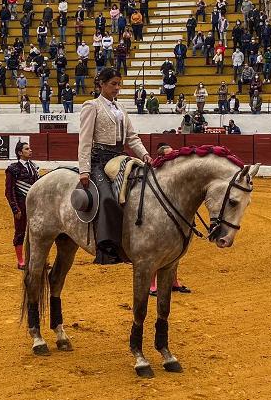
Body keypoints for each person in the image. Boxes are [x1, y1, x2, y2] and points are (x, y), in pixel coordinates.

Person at [76, 67, 152, 265]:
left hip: (119, 157)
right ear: (101, 84)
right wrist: (84, 170)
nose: (117, 88)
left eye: (119, 84)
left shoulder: (120, 109)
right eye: (113, 84)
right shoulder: (91, 106)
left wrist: (144, 155)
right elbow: (84, 140)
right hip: (98, 161)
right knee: (108, 198)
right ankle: (106, 247)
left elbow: (132, 138)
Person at [148, 143, 191, 296]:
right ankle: (152, 285)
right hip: (158, 216)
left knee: (175, 250)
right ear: (161, 157)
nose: (173, 157)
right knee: (156, 251)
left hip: (175, 215)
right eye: (169, 155)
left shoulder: (177, 173)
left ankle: (174, 282)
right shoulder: (155, 173)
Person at [4, 141, 39, 269]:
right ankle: (21, 261)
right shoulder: (13, 169)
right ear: (20, 153)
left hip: (34, 206)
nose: (30, 150)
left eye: (29, 148)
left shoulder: (34, 167)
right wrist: (15, 208)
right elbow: (9, 191)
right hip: (21, 205)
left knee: (37, 232)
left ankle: (35, 260)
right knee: (20, 232)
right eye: (27, 149)